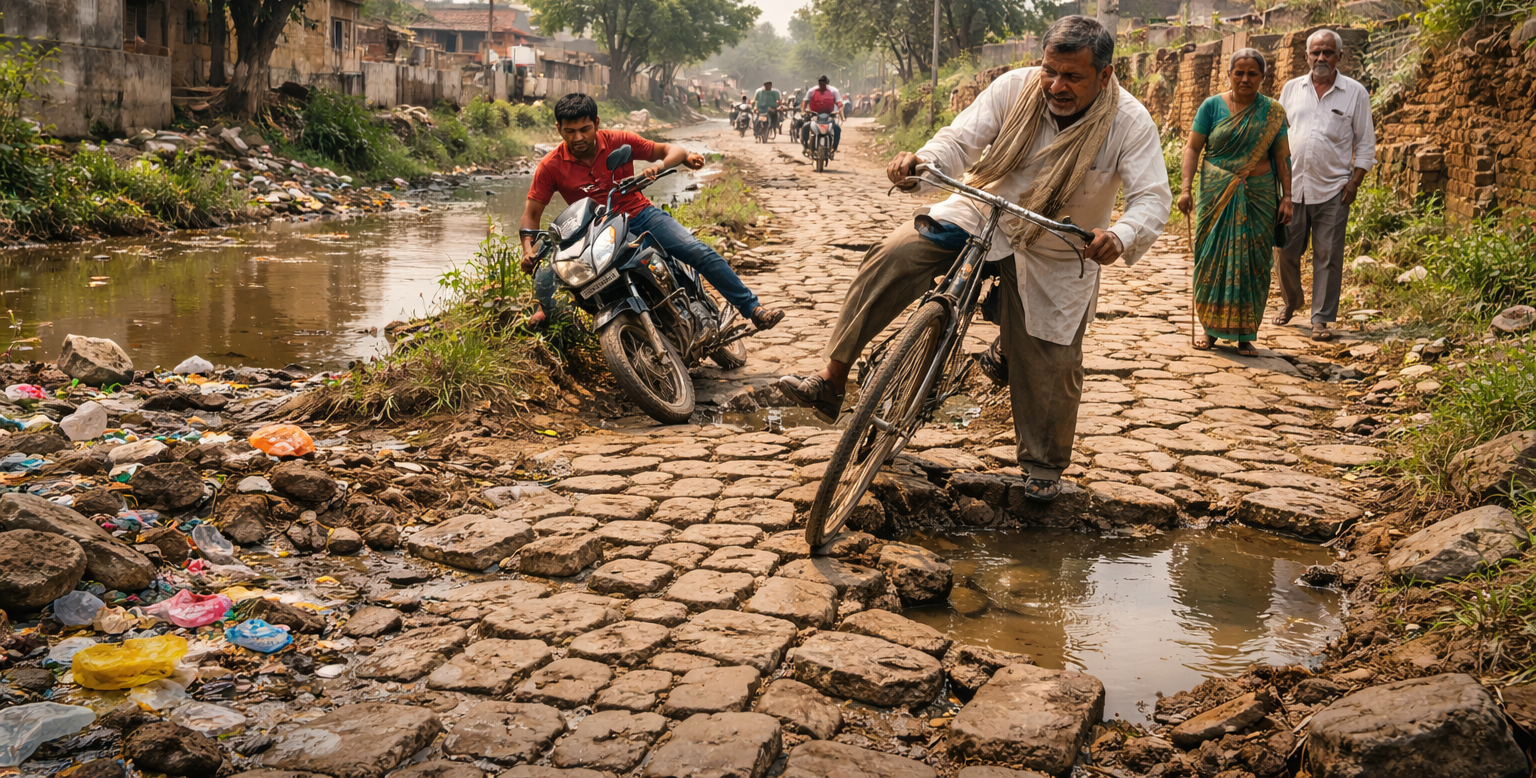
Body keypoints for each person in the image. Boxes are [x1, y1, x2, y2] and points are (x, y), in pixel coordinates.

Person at [776, 16, 1170, 503]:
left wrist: (1121, 235)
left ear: (1105, 75)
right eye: (1049, 71)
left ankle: (1042, 466)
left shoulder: (1129, 121)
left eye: (1072, 76)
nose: (1056, 85)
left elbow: (1151, 197)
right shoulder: (1013, 88)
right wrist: (921, 163)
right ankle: (831, 380)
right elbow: (959, 139)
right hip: (984, 211)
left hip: (1057, 244)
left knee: (1053, 356)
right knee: (893, 254)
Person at [520, 93, 783, 331]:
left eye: (584, 129)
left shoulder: (619, 141)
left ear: (596, 123)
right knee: (554, 275)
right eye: (570, 131)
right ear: (558, 128)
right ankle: (550, 321)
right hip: (597, 235)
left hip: (640, 215)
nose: (578, 138)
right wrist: (527, 249)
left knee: (697, 251)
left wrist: (659, 167)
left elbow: (672, 150)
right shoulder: (550, 166)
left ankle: (753, 308)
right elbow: (532, 214)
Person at [1177, 48, 1293, 357]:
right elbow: (1192, 148)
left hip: (1260, 196)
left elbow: (1283, 156)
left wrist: (1288, 197)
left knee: (1255, 263)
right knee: (1210, 258)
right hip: (1216, 194)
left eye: (1252, 73)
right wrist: (1185, 189)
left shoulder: (1272, 113)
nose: (1244, 79)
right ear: (1228, 74)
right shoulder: (1211, 107)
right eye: (1238, 72)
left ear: (1263, 77)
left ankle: (1245, 334)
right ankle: (1209, 330)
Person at [1275, 29, 1375, 342]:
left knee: (1328, 256)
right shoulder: (1291, 89)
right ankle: (1292, 301)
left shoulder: (1355, 93)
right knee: (1284, 251)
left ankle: (1321, 318)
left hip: (1333, 190)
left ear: (1339, 57)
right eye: (1316, 52)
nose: (1321, 58)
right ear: (1307, 56)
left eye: (1328, 52)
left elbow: (1366, 142)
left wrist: (1355, 182)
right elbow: (1278, 135)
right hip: (1292, 189)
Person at [800, 75, 843, 153]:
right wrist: (803, 111)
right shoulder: (812, 91)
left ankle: (834, 147)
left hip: (829, 116)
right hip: (815, 116)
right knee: (805, 126)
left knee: (837, 129)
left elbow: (839, 103)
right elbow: (805, 102)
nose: (821, 85)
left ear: (826, 83)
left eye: (823, 83)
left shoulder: (833, 91)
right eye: (820, 83)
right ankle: (806, 146)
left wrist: (840, 110)